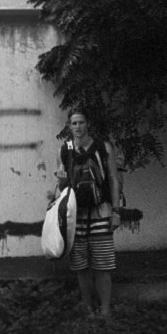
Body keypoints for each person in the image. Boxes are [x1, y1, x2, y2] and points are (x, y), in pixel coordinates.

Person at [55, 108, 121, 318]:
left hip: (101, 212)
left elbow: (113, 179)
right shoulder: (65, 150)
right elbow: (62, 186)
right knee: (81, 266)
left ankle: (105, 311)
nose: (78, 127)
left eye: (81, 122)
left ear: (87, 124)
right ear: (69, 126)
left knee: (103, 266)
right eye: (74, 123)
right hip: (76, 216)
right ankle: (88, 309)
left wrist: (116, 211)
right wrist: (61, 178)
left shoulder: (103, 147)